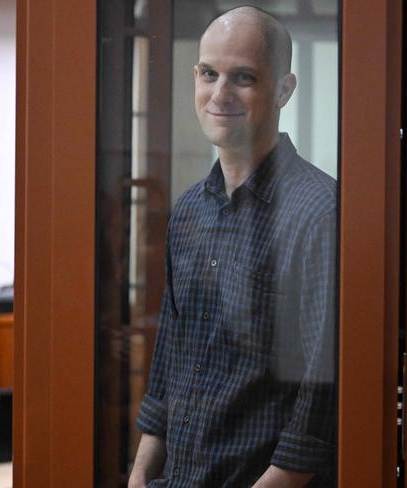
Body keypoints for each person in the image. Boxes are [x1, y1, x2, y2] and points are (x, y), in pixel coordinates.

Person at [128, 6, 336, 487]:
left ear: (283, 89)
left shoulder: (319, 211)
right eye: (208, 73)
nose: (220, 94)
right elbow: (170, 358)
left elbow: (321, 392)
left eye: (243, 77)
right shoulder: (187, 212)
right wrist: (140, 473)